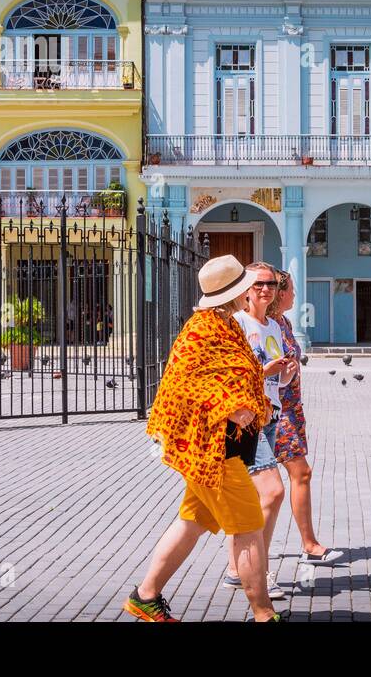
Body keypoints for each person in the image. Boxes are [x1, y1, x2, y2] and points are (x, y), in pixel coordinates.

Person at [124, 256, 278, 622]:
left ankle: (145, 597)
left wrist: (252, 392)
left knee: (191, 521)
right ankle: (264, 614)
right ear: (237, 293)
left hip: (223, 448)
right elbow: (186, 385)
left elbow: (229, 373)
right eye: (249, 286)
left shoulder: (223, 325)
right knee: (249, 527)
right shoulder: (203, 330)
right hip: (212, 449)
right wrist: (229, 407)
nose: (256, 292)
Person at [226, 262, 298, 603]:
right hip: (245, 420)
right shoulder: (237, 324)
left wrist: (286, 373)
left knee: (250, 498)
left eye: (270, 284)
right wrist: (264, 370)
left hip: (270, 414)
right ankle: (260, 571)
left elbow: (275, 382)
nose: (265, 289)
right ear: (245, 290)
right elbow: (233, 375)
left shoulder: (272, 326)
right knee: (272, 493)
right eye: (258, 285)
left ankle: (235, 569)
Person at [267, 267, 343, 567]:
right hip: (277, 410)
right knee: (299, 474)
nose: (295, 296)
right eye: (292, 291)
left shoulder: (282, 322)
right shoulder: (269, 323)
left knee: (273, 482)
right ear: (280, 293)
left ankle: (251, 552)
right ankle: (308, 544)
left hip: (290, 408)